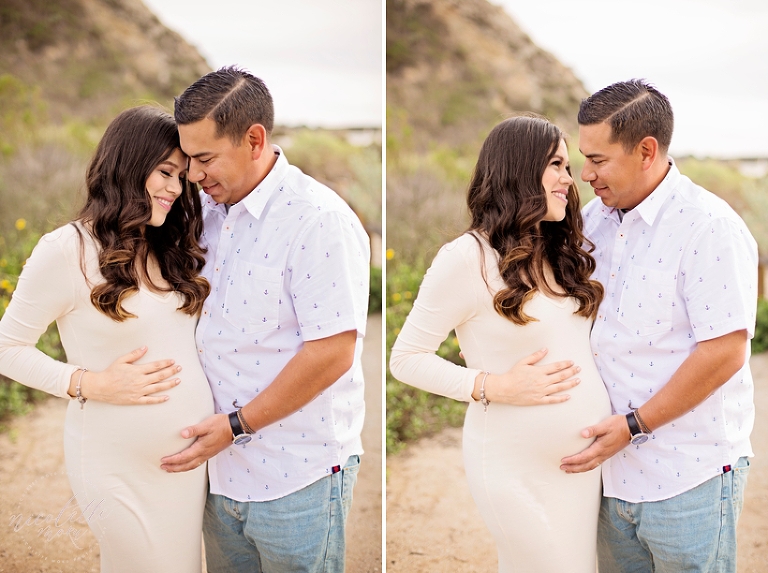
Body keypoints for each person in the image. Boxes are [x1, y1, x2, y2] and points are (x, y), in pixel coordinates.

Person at [158, 66, 370, 572]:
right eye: (187, 159)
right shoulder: (205, 211)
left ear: (254, 140)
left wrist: (235, 426)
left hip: (299, 476)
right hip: (218, 475)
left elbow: (333, 351)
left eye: (205, 158)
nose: (192, 174)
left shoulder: (320, 220)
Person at [389, 116, 611, 573]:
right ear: (519, 169)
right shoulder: (465, 257)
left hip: (582, 469)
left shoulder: (560, 253)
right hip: (513, 465)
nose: (570, 181)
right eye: (557, 165)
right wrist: (495, 385)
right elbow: (406, 359)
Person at [0, 106, 214, 572]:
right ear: (128, 164)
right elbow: (6, 348)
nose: (175, 189)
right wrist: (87, 383)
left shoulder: (168, 248)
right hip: (116, 465)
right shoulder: (67, 249)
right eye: (164, 172)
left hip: (187, 466)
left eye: (181, 178)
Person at [560, 79, 758, 573]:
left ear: (646, 151)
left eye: (598, 160)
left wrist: (634, 425)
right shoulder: (591, 222)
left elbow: (725, 351)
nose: (586, 174)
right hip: (608, 478)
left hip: (689, 473)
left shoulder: (710, 227)